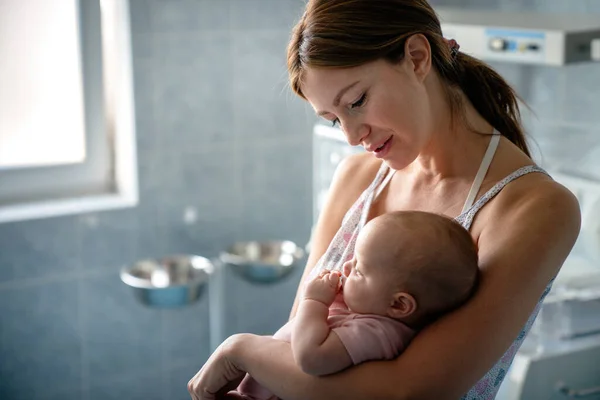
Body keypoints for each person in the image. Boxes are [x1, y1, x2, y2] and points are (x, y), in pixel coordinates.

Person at [188, 0, 581, 398]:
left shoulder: (533, 207)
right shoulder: (357, 177)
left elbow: (408, 392)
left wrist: (241, 350)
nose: (352, 136)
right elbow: (299, 352)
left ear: (416, 57)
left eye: (356, 102)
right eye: (334, 119)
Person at [227, 211, 479, 400]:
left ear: (399, 304)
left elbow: (310, 358)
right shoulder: (367, 314)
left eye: (358, 269)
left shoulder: (376, 333)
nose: (346, 266)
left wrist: (314, 302)